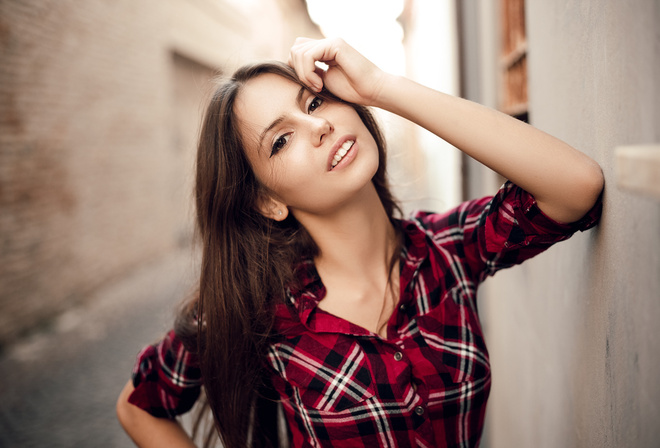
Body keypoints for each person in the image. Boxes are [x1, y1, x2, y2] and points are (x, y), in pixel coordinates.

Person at [116, 37, 604, 448]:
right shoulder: (260, 309)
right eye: (280, 141)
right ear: (267, 202)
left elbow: (575, 186)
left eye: (314, 102)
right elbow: (139, 407)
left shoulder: (446, 252)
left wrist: (381, 88)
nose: (319, 125)